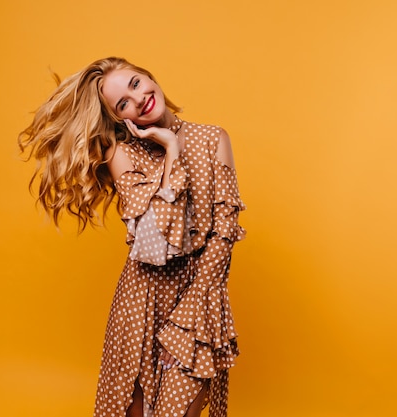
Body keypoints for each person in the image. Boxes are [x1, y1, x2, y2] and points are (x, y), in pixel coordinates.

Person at [19, 57, 246, 417]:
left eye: (136, 84)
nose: (138, 99)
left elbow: (223, 238)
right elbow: (158, 246)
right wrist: (171, 150)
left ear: (150, 77)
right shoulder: (122, 154)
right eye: (123, 103)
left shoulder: (213, 139)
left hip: (198, 301)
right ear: (119, 118)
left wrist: (187, 320)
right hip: (141, 304)